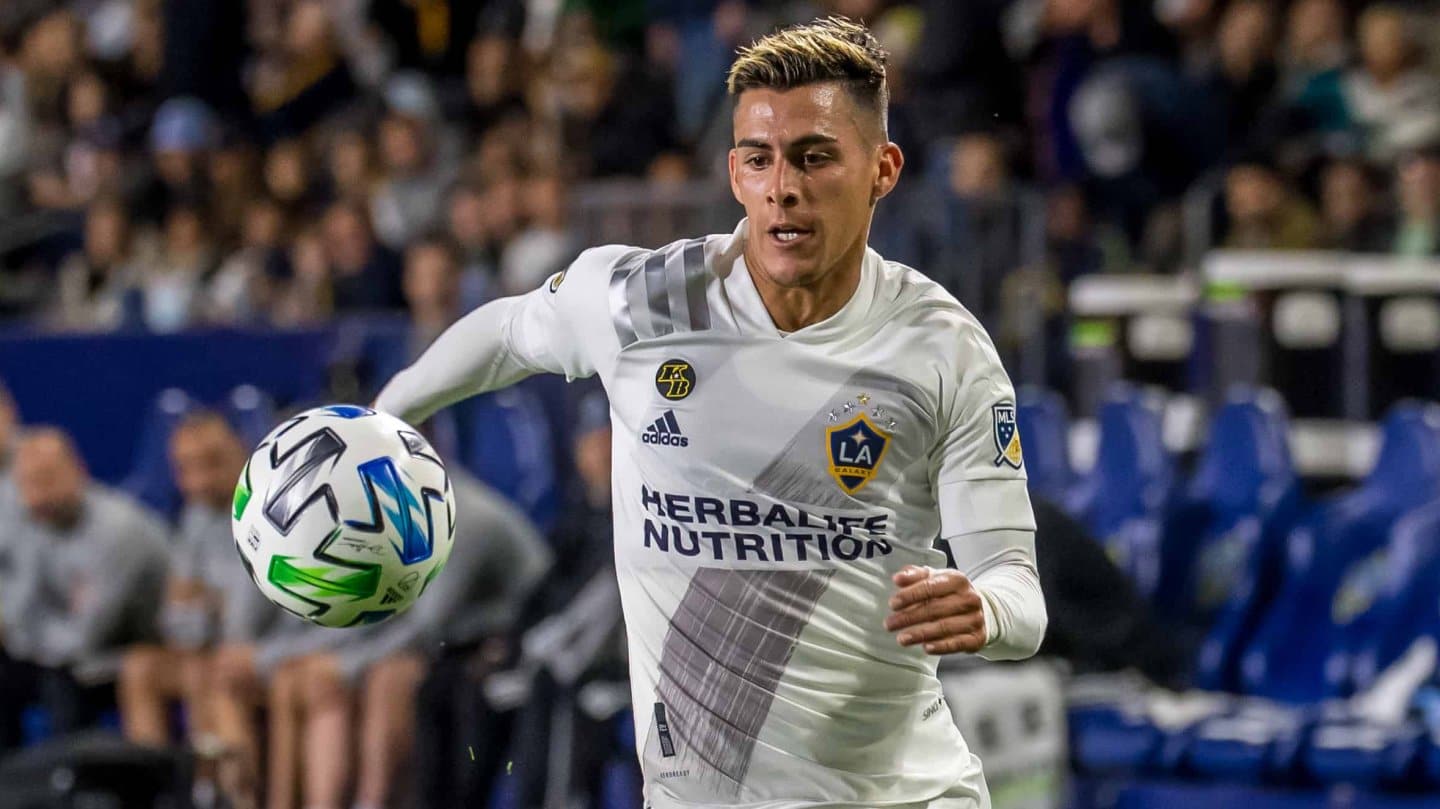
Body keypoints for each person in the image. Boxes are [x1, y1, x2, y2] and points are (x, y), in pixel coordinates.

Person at [377, 17, 1045, 808]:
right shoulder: (644, 303)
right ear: (734, 173)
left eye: (815, 157)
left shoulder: (943, 348)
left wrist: (985, 608)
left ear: (883, 169)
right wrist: (389, 412)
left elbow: (1018, 590)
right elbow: (507, 333)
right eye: (759, 159)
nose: (782, 186)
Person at [264, 469, 552, 809]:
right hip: (447, 646)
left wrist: (344, 666)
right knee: (296, 680)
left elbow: (425, 625)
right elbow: (363, 607)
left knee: (388, 678)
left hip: (512, 646)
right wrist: (315, 659)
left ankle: (373, 801)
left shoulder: (463, 518)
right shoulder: (385, 514)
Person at [115, 413, 282, 802]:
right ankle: (157, 794)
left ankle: (237, 798)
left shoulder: (269, 511)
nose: (199, 481)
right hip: (218, 655)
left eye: (211, 464)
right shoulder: (196, 517)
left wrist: (204, 603)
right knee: (141, 668)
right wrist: (203, 609)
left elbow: (244, 623)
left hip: (278, 654)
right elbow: (176, 623)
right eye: (186, 469)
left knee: (215, 674)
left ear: (241, 453)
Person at [0, 428, 168, 745]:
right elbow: (20, 614)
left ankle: (71, 774)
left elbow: (85, 637)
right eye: (27, 484)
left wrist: (30, 637)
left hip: (140, 651)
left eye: (47, 479)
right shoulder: (34, 523)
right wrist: (28, 636)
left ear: (78, 469)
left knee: (61, 680)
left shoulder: (118, 530)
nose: (37, 496)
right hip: (68, 654)